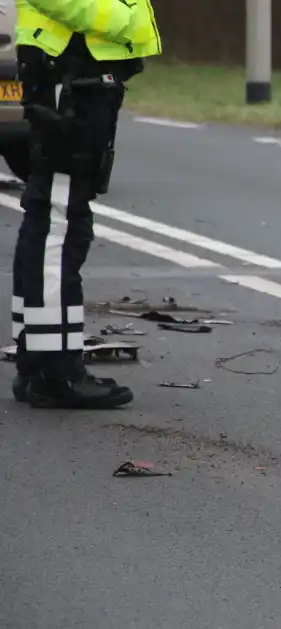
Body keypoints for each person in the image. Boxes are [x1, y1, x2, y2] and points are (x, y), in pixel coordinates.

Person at [10, 0, 160, 408]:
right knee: (59, 220)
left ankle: (37, 362)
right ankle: (54, 371)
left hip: (73, 64)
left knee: (52, 215)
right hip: (69, 63)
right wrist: (121, 20)